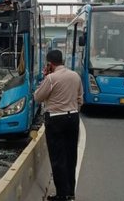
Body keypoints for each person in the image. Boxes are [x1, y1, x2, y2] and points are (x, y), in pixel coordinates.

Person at [34, 50, 83, 201]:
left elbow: (38, 97)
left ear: (50, 63)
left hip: (56, 120)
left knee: (58, 157)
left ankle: (62, 194)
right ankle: (70, 192)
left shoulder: (50, 78)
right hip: (73, 117)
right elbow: (80, 99)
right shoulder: (75, 76)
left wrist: (45, 77)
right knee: (70, 156)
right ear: (62, 60)